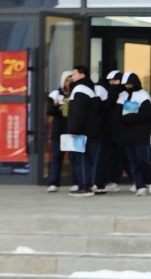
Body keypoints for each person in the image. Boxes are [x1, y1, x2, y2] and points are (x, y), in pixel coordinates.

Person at [115, 72, 151, 196]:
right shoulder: (122, 96)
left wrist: (130, 118)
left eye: (129, 84)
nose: (128, 86)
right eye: (126, 84)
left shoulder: (143, 95)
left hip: (140, 134)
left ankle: (150, 180)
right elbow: (118, 114)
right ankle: (140, 185)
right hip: (127, 133)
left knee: (142, 160)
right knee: (132, 161)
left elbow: (147, 114)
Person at [64, 66, 98, 198]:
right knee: (86, 159)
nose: (72, 77)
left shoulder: (80, 89)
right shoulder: (89, 88)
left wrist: (74, 129)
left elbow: (78, 112)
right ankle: (86, 185)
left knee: (82, 159)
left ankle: (84, 187)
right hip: (90, 130)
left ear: (82, 75)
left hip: (82, 132)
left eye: (74, 74)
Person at [91, 69, 122, 194]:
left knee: (111, 157)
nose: (113, 83)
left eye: (115, 81)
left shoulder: (110, 91)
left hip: (110, 131)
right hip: (108, 131)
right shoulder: (104, 91)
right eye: (111, 81)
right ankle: (106, 181)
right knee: (110, 157)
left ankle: (105, 181)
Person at [45, 72, 72, 193]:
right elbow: (50, 111)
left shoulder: (77, 93)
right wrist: (56, 105)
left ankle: (77, 182)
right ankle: (54, 182)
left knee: (74, 158)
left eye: (71, 81)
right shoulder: (55, 94)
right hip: (59, 130)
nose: (69, 83)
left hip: (72, 130)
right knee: (56, 157)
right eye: (67, 81)